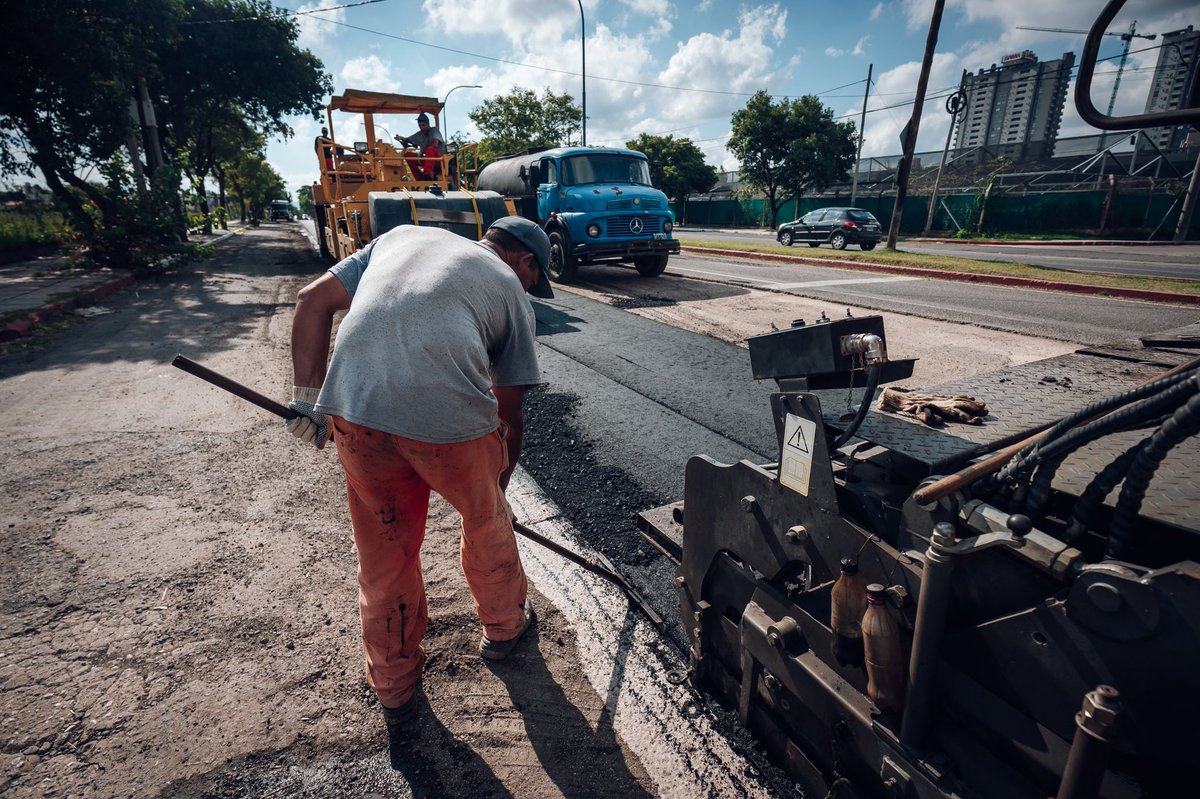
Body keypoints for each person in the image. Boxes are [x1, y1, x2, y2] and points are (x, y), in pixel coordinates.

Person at [286, 217, 554, 767]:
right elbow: (509, 414)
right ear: (525, 262)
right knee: (485, 527)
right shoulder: (509, 290)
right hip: (449, 428)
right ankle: (504, 632)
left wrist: (305, 401)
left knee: (385, 554)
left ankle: (393, 685)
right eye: (535, 278)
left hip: (355, 416)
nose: (529, 287)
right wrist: (494, 495)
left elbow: (312, 300)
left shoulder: (398, 238)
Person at [395, 112, 444, 180]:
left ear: (428, 124)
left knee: (430, 149)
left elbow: (434, 144)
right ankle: (419, 178)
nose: (422, 127)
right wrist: (401, 138)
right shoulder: (419, 134)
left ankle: (428, 174)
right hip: (428, 160)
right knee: (408, 155)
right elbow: (408, 139)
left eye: (423, 125)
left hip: (439, 160)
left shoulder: (434, 130)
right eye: (420, 126)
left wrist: (421, 151)